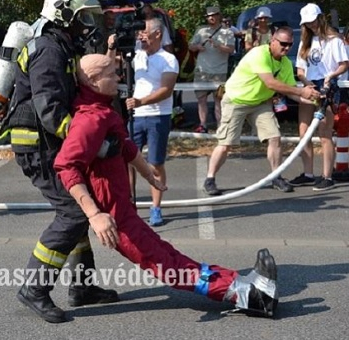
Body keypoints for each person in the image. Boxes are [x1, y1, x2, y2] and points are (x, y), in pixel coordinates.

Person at [55, 53, 280, 321]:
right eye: (111, 74)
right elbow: (66, 167)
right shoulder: (89, 120)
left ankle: (239, 283)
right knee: (169, 266)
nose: (118, 78)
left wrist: (149, 175)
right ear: (93, 80)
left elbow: (125, 146)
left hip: (124, 213)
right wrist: (94, 215)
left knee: (170, 256)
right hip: (116, 220)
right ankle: (247, 295)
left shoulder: (103, 111)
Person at [7, 0, 118, 324]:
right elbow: (51, 110)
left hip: (50, 143)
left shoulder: (60, 46)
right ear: (62, 13)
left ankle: (82, 287)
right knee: (73, 213)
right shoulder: (48, 49)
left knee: (84, 211)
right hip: (38, 146)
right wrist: (94, 145)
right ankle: (34, 289)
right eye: (80, 18)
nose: (85, 26)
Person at [203, 26, 321, 196]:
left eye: (290, 45)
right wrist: (302, 91)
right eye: (283, 44)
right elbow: (270, 83)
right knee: (225, 144)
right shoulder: (259, 54)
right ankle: (210, 178)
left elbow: (292, 92)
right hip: (236, 101)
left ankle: (276, 177)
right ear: (273, 40)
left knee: (275, 138)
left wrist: (314, 99)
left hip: (260, 103)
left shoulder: (286, 63)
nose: (286, 48)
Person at [115, 18, 178, 227]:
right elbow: (111, 64)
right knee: (128, 159)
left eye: (144, 31)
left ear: (158, 34)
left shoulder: (168, 59)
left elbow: (166, 89)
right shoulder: (136, 56)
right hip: (136, 116)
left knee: (155, 162)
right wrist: (111, 46)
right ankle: (128, 204)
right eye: (139, 32)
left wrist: (141, 101)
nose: (140, 35)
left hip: (158, 114)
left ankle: (156, 207)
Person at [289, 3, 349, 191]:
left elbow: (343, 64)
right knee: (304, 132)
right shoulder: (305, 42)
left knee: (324, 132)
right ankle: (308, 173)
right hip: (310, 86)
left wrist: (330, 77)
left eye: (313, 21)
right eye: (307, 23)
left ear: (320, 18)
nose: (311, 25)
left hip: (328, 87)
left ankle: (327, 176)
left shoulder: (334, 40)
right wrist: (306, 82)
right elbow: (300, 69)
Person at [189, 6, 235, 133]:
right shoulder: (201, 30)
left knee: (219, 100)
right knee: (201, 99)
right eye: (209, 16)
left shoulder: (227, 32)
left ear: (219, 16)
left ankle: (220, 126)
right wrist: (197, 46)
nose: (211, 18)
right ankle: (203, 125)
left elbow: (231, 50)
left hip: (219, 72)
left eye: (214, 15)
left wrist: (218, 45)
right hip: (202, 71)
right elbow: (191, 46)